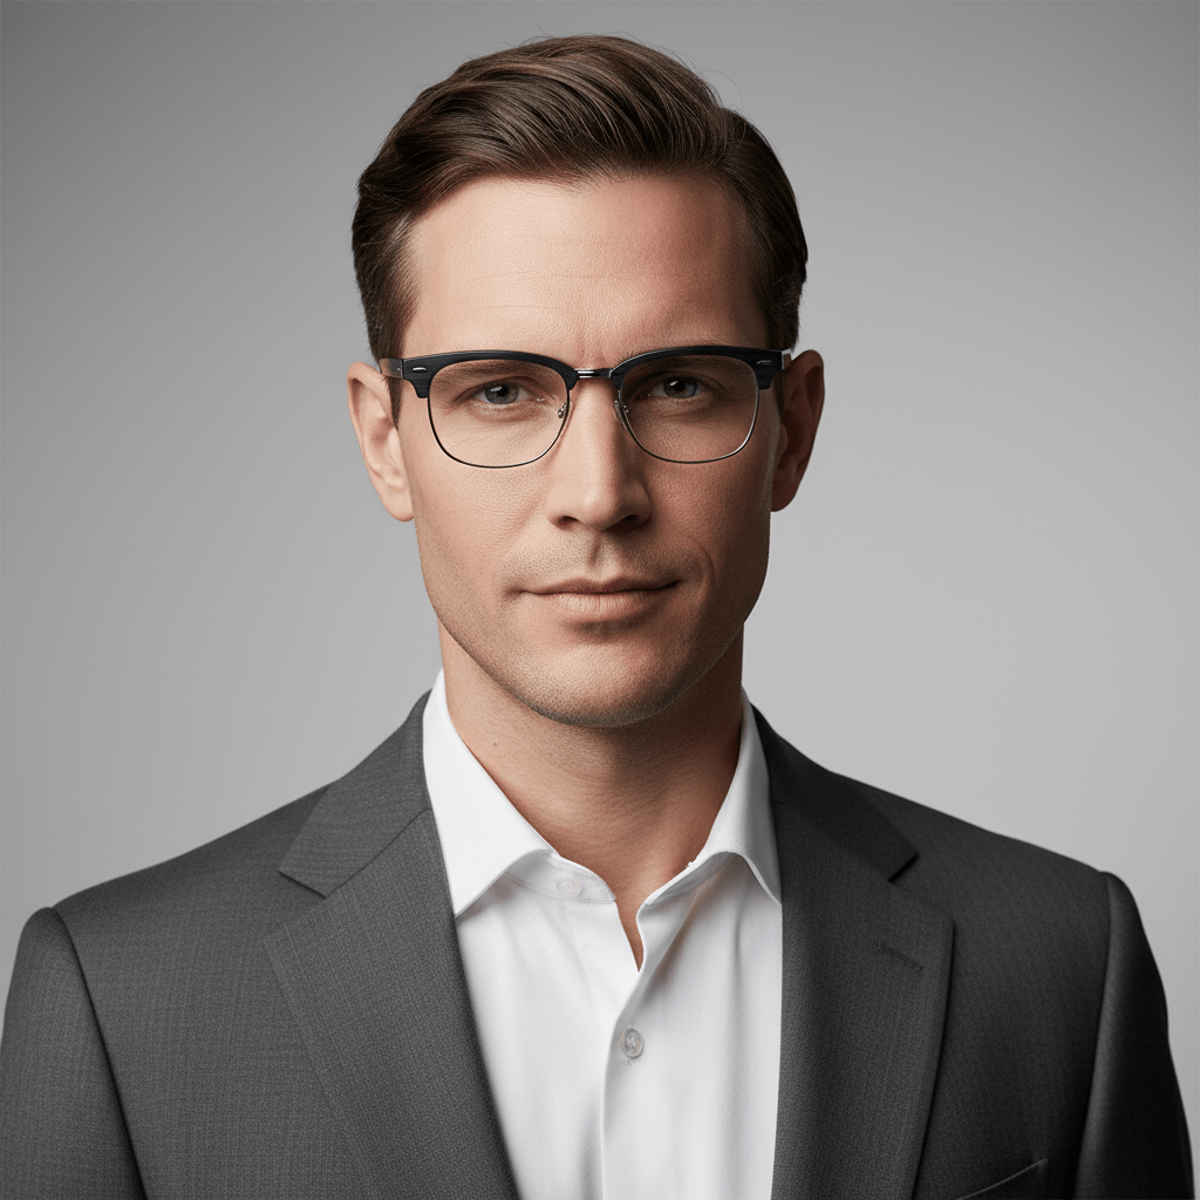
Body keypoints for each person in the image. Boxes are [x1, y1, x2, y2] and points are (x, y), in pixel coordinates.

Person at [0, 34, 1191, 1200]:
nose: (598, 497)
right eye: (502, 392)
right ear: (385, 442)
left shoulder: (1057, 967)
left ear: (796, 429)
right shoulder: (121, 1002)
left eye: (678, 385)